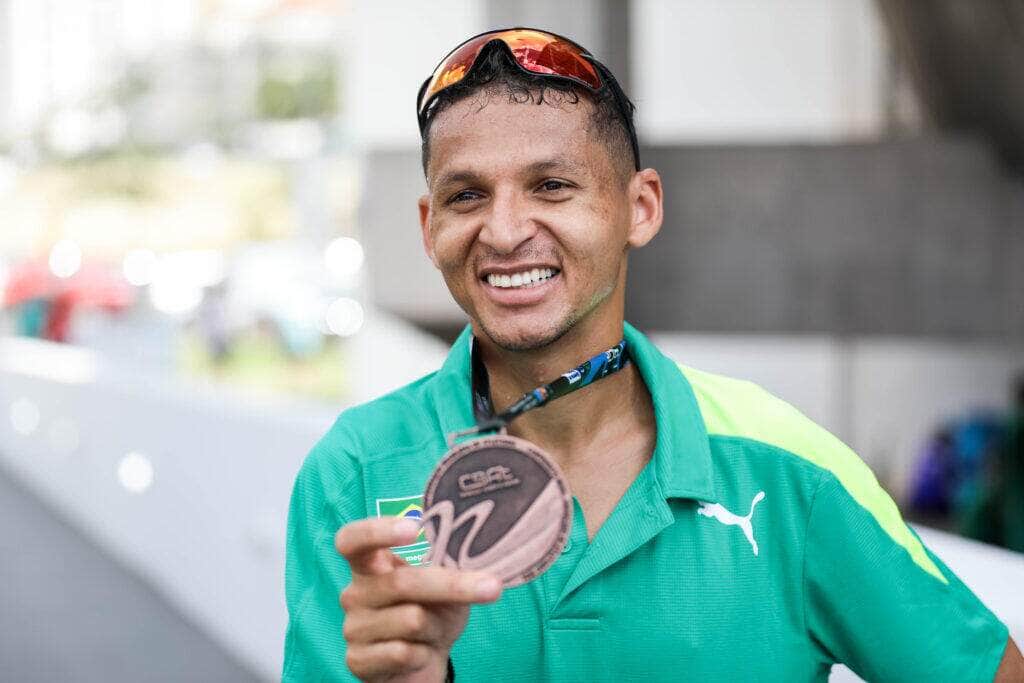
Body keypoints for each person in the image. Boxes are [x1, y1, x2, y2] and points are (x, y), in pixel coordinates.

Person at [283, 28, 1022, 682]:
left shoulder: (785, 463)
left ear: (641, 206)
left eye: (551, 185)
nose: (505, 231)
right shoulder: (357, 471)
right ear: (428, 224)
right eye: (467, 196)